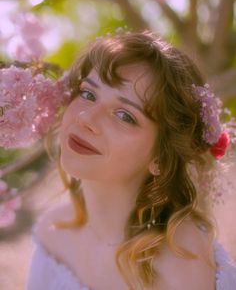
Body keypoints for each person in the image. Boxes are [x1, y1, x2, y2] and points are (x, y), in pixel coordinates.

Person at [26, 30, 236, 290]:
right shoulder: (53, 232)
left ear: (160, 157)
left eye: (125, 115)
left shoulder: (179, 264)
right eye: (89, 94)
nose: (86, 119)